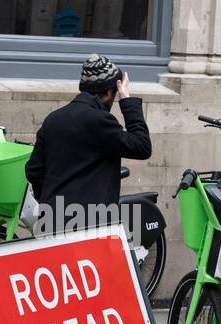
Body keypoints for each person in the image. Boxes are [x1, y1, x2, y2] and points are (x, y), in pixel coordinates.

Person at [25, 54, 151, 232]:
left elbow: (33, 170)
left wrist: (50, 201)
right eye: (115, 95)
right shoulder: (100, 121)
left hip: (52, 222)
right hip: (90, 226)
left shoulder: (53, 119)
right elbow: (142, 146)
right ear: (108, 92)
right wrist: (127, 101)